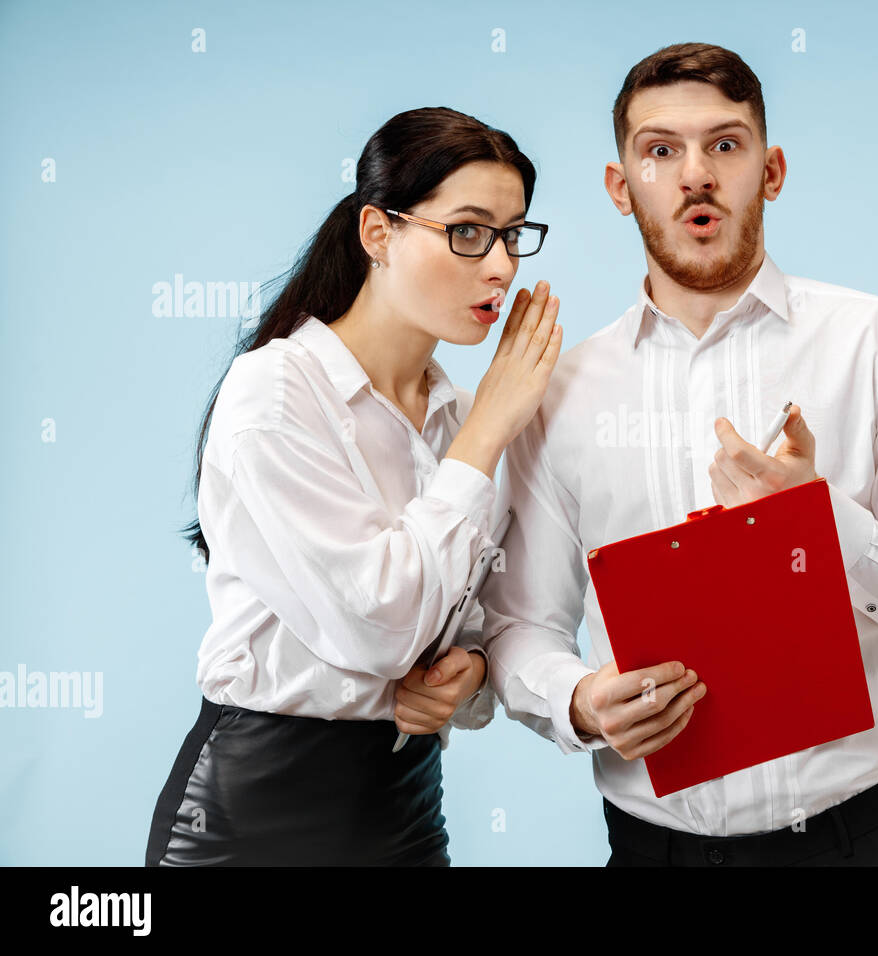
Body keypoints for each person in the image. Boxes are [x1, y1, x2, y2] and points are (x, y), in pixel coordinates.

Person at [403, 43, 878, 867]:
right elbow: (521, 627)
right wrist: (579, 701)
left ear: (772, 170)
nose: (696, 174)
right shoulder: (560, 391)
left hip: (855, 844)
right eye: (661, 150)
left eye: (725, 145)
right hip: (655, 853)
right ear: (622, 188)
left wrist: (821, 521)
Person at [144, 106, 563, 866]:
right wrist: (485, 438)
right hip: (257, 815)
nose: (501, 265)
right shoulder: (276, 393)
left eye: (512, 234)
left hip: (404, 807)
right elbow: (379, 627)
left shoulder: (457, 418)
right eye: (468, 231)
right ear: (379, 233)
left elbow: (467, 625)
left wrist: (466, 678)